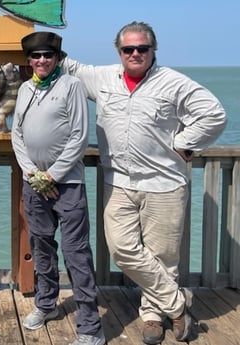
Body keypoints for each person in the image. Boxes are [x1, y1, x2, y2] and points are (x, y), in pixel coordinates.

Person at [60, 21, 227, 344]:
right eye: (128, 49)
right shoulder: (103, 77)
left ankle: (153, 316)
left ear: (153, 50)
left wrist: (186, 142)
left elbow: (214, 114)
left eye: (142, 48)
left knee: (163, 256)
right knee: (122, 249)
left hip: (165, 183)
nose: (135, 54)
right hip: (118, 181)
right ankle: (178, 305)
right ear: (118, 51)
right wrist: (24, 38)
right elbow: (67, 64)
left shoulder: (173, 82)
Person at [11, 31, 106, 345]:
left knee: (76, 253)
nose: (41, 61)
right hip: (33, 185)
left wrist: (52, 175)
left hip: (68, 185)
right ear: (29, 61)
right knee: (41, 249)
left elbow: (79, 137)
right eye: (36, 56)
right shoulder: (25, 89)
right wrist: (32, 173)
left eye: (47, 56)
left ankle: (90, 326)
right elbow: (17, 136)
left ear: (57, 59)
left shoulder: (71, 86)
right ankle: (46, 304)